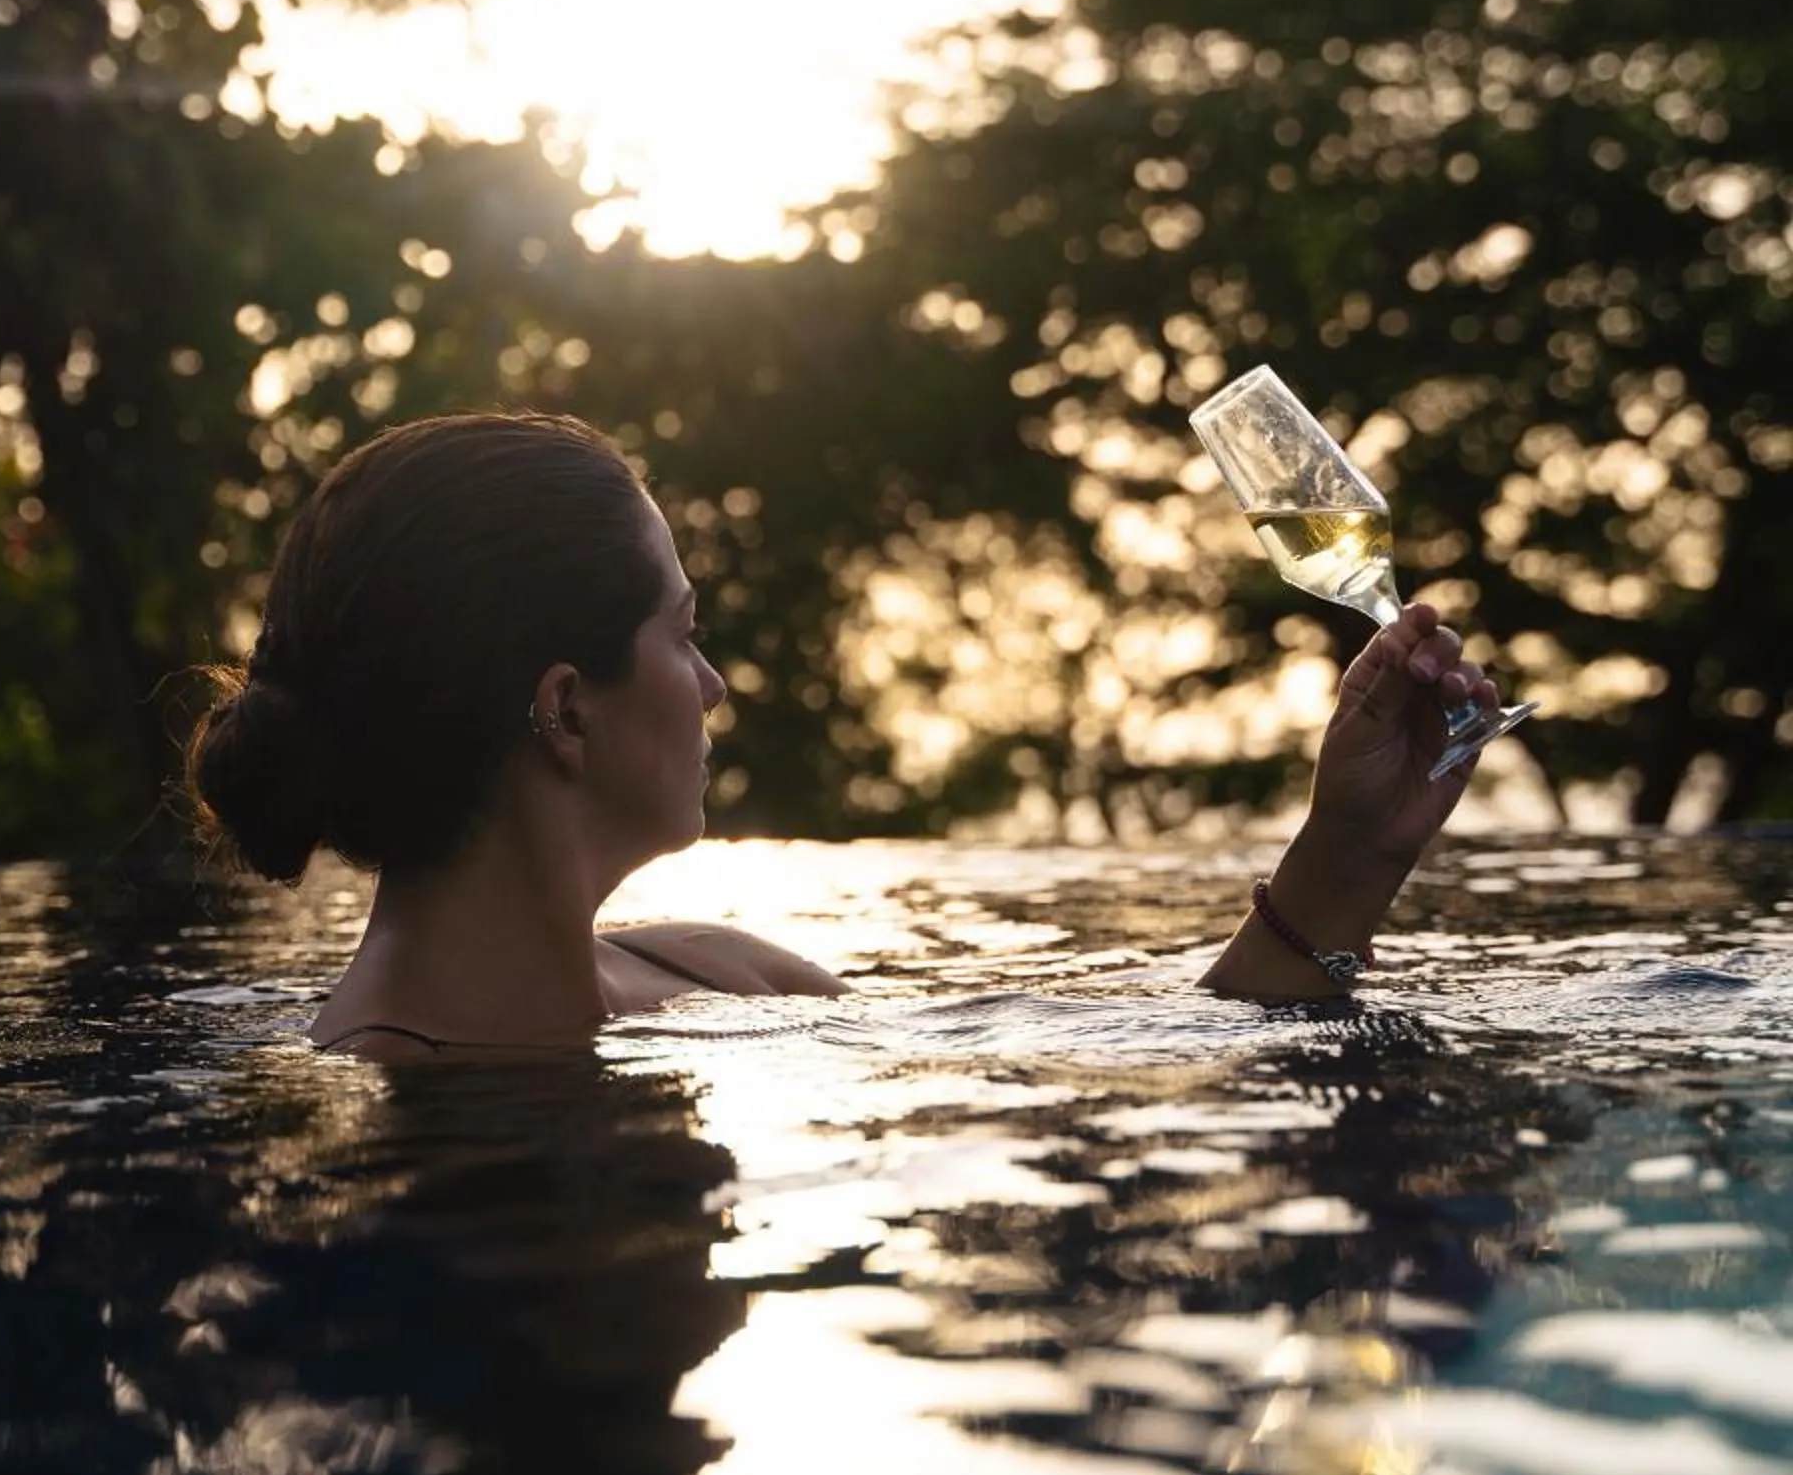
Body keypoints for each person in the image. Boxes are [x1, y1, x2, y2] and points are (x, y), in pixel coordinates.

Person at [188, 409, 1503, 1055]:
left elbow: (1133, 1064)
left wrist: (1349, 855)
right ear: (566, 708)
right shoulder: (382, 1106)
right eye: (684, 633)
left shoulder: (709, 969)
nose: (712, 686)